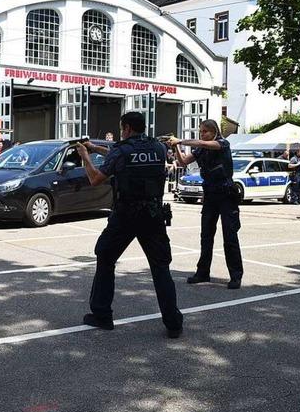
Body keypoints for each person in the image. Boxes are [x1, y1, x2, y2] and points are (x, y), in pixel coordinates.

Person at [74, 111, 183, 338]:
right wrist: (95, 147)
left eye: (121, 128)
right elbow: (123, 156)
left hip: (126, 215)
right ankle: (173, 323)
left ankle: (102, 315)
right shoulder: (158, 148)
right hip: (153, 215)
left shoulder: (123, 150)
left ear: (127, 128)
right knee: (160, 267)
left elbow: (96, 178)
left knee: (105, 256)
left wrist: (85, 155)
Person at [169, 119, 243, 289]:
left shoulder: (222, 143)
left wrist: (180, 140)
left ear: (214, 132)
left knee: (230, 236)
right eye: (201, 131)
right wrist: (176, 147)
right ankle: (202, 272)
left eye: (205, 131)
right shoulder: (202, 149)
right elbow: (183, 162)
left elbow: (204, 143)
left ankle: (235, 276)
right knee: (206, 236)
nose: (202, 134)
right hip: (210, 195)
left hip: (226, 194)